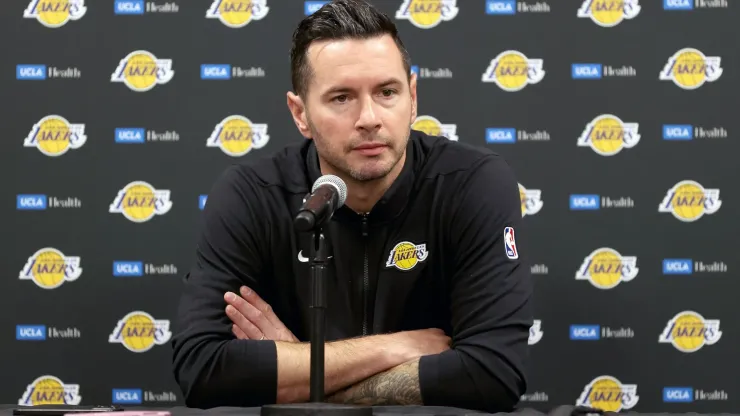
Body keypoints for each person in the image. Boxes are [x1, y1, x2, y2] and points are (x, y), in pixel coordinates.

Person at [171, 0, 533, 412]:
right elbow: (203, 371)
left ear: (412, 97)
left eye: (387, 92)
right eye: (341, 98)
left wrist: (303, 369)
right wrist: (395, 348)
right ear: (300, 113)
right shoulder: (252, 195)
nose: (369, 118)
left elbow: (493, 374)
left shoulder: (473, 184)